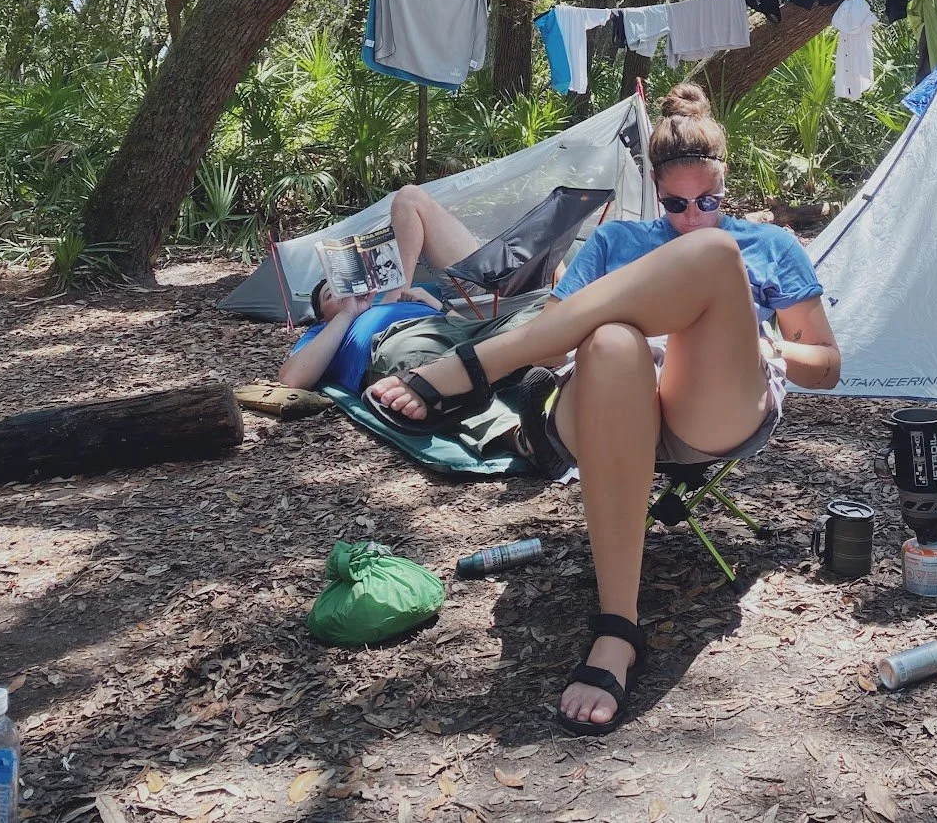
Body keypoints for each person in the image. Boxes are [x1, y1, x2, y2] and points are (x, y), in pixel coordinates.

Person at [366, 83, 841, 736]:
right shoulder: (618, 241)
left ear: (727, 185)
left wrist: (762, 341)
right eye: (676, 204)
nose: (694, 214)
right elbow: (558, 329)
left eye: (710, 201)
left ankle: (475, 369)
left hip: (712, 405)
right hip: (606, 401)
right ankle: (618, 627)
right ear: (656, 190)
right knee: (614, 339)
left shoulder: (767, 245)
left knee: (713, 255)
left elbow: (828, 366)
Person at [278, 184, 485, 392]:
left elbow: (471, 329)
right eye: (332, 293)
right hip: (406, 345)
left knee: (409, 197)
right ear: (323, 318)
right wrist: (348, 313)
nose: (344, 293)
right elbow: (291, 379)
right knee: (457, 360)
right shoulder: (322, 332)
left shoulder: (388, 298)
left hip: (452, 328)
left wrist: (438, 307)